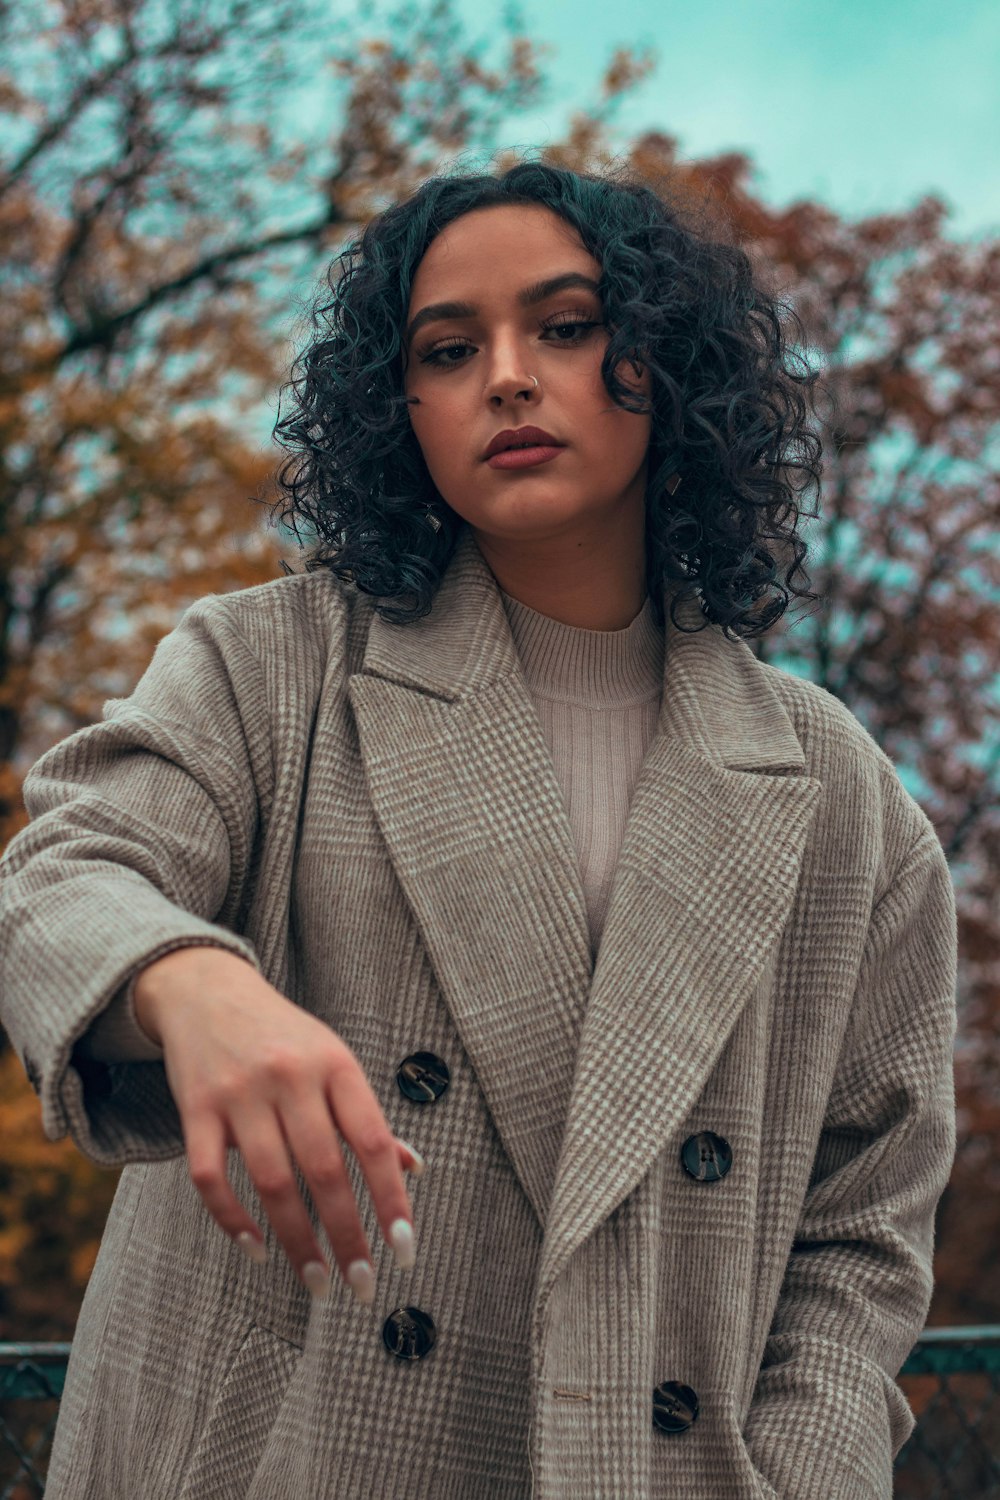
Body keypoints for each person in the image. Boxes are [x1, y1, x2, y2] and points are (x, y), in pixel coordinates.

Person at [0, 159, 957, 1499]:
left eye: (565, 326)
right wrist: (190, 984)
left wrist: (804, 1466)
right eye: (448, 350)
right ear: (403, 408)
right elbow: (61, 872)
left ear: (664, 364)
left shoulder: (836, 791)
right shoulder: (272, 665)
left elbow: (866, 1212)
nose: (508, 376)